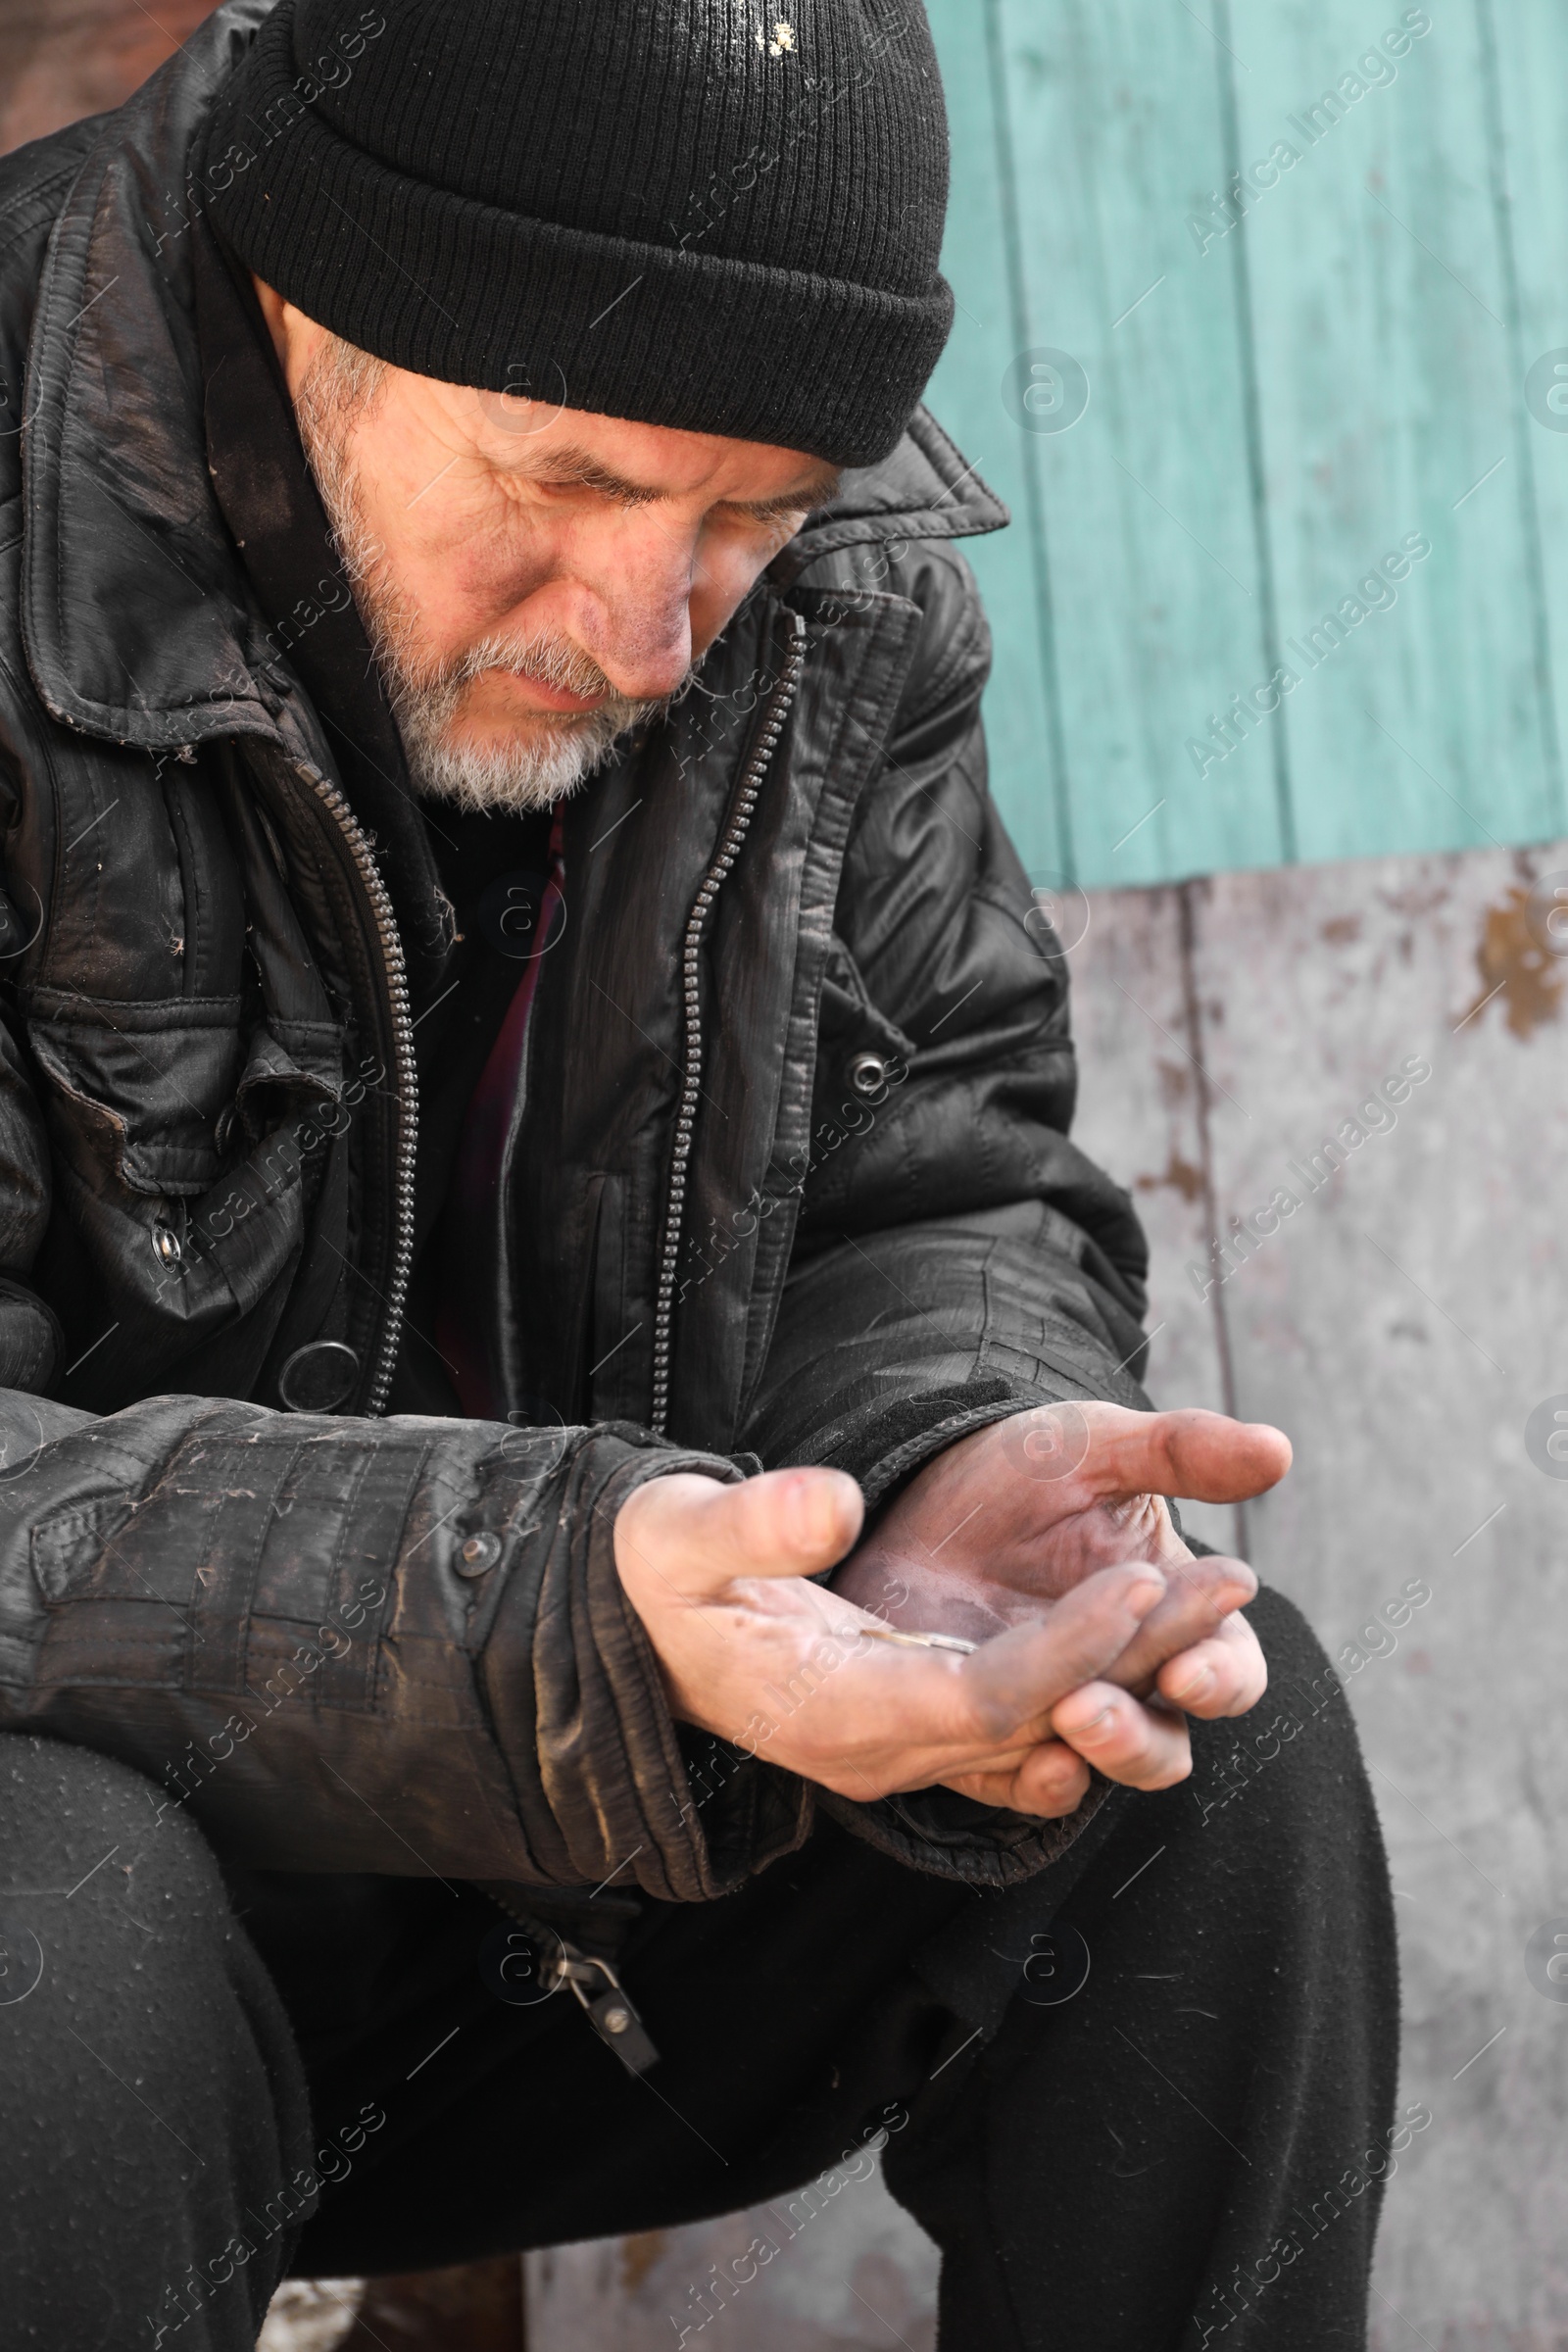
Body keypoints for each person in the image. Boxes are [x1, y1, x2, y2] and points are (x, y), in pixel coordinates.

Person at [0, 3, 1396, 2345]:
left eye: (745, 515)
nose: (649, 630)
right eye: (563, 484)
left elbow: (931, 1161)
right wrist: (566, 1606)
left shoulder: (834, 595)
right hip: (108, 1953)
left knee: (1202, 1753)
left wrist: (944, 1476)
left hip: (595, 1863)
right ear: (314, 298)